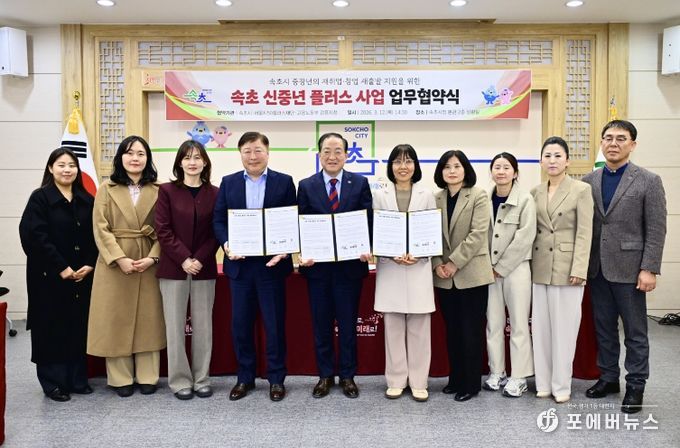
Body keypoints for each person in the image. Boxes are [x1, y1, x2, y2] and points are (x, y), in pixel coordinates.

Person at [582, 120, 667, 414]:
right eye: (608, 138)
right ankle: (608, 378)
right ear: (601, 142)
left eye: (621, 138)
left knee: (635, 332)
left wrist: (649, 268)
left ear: (633, 144)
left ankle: (636, 384)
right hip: (596, 269)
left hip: (631, 269)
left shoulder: (648, 180)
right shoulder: (588, 181)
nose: (613, 143)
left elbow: (656, 228)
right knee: (604, 329)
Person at [213, 131, 296, 402]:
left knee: (274, 325)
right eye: (247, 151)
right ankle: (245, 378)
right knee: (241, 325)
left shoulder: (284, 182)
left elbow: (291, 220)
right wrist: (227, 244)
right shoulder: (229, 183)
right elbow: (219, 220)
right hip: (240, 267)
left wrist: (285, 249)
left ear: (267, 153)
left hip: (272, 266)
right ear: (240, 154)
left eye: (258, 150)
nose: (253, 156)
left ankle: (276, 379)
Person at [87, 135, 166, 398]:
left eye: (141, 154)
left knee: (149, 318)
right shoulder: (105, 188)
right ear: (120, 157)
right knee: (115, 317)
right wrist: (119, 258)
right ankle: (120, 378)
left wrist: (153, 257)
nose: (135, 158)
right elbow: (100, 228)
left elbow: (166, 228)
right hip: (114, 262)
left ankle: (148, 376)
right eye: (130, 153)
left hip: (148, 260)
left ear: (148, 159)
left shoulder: (160, 189)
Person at [297, 132, 373, 399]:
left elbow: (368, 220)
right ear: (319, 155)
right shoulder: (306, 185)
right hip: (317, 269)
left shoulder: (360, 183)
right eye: (327, 151)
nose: (332, 156)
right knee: (322, 325)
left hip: (350, 268)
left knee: (348, 325)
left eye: (338, 151)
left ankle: (348, 376)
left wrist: (367, 247)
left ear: (346, 155)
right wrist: (303, 252)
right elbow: (301, 223)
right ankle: (325, 375)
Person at [19, 148, 98, 402]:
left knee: (77, 326)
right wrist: (61, 267)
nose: (67, 170)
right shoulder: (40, 198)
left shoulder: (87, 199)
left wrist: (90, 263)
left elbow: (96, 236)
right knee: (51, 327)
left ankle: (77, 379)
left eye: (72, 165)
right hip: (49, 277)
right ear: (51, 168)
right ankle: (53, 382)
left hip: (82, 276)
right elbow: (34, 236)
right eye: (61, 165)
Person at [531, 136, 593, 404]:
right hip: (540, 268)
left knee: (564, 331)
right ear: (541, 161)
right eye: (547, 155)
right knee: (541, 330)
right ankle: (543, 383)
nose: (552, 160)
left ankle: (561, 385)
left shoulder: (581, 190)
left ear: (567, 161)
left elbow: (585, 232)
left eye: (558, 155)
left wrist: (579, 267)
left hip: (568, 270)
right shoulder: (534, 192)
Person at [155, 140, 219, 400]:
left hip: (204, 267)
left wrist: (199, 258)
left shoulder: (215, 192)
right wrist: (183, 259)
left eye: (197, 157)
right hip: (173, 268)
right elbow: (162, 229)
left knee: (204, 326)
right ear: (179, 162)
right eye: (187, 157)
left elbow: (217, 230)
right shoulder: (166, 191)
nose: (192, 162)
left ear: (205, 162)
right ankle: (180, 380)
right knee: (175, 326)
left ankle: (202, 378)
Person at [373, 144, 436, 402]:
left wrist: (421, 254)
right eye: (398, 161)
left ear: (415, 166)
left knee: (420, 328)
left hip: (419, 267)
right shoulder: (379, 195)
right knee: (394, 328)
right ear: (391, 166)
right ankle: (396, 380)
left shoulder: (427, 194)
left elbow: (431, 230)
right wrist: (390, 254)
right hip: (391, 267)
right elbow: (376, 231)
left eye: (408, 161)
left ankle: (419, 382)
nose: (403, 166)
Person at [432, 150, 494, 402]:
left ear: (465, 169)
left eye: (457, 166)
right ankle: (455, 378)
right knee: (453, 331)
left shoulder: (478, 195)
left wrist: (454, 263)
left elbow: (478, 234)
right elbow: (429, 235)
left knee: (471, 331)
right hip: (443, 276)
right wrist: (437, 263)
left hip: (471, 274)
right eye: (447, 167)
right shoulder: (436, 198)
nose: (452, 171)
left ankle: (470, 383)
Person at [484, 152, 536, 398]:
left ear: (515, 172)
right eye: (497, 167)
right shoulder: (484, 199)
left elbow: (525, 237)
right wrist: (488, 266)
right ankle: (497, 372)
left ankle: (519, 377)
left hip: (516, 269)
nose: (501, 171)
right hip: (488, 271)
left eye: (506, 167)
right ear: (491, 172)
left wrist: (501, 267)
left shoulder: (525, 199)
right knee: (493, 323)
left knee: (518, 325)